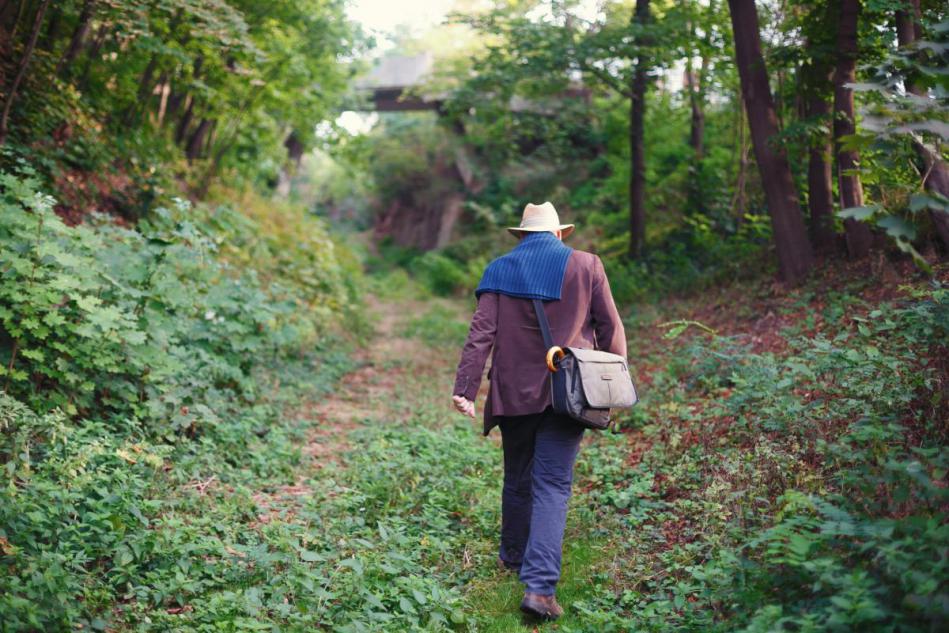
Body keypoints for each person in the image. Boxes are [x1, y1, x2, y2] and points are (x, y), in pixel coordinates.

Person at [451, 201, 627, 621]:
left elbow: (481, 335)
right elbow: (610, 328)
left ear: (523, 235)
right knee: (552, 484)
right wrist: (612, 386)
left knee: (518, 477)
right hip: (570, 392)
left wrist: (465, 388)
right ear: (559, 233)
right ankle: (540, 589)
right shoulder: (587, 266)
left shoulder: (499, 269)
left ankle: (513, 558)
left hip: (514, 393)